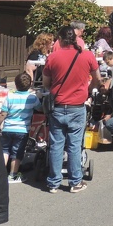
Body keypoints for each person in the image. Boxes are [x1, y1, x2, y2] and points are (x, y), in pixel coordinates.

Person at [42, 25, 100, 193]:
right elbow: (97, 79)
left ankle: (53, 182)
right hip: (77, 105)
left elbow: (46, 83)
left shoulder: (53, 57)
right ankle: (75, 182)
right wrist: (88, 90)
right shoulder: (87, 55)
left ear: (59, 39)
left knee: (56, 144)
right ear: (76, 39)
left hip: (58, 106)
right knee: (75, 145)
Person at [0, 71, 40, 183]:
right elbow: (40, 108)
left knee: (5, 150)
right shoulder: (32, 98)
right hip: (22, 130)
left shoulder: (10, 97)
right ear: (30, 84)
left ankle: (0, 174)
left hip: (7, 128)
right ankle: (13, 175)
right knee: (17, 153)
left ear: (15, 85)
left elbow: (3, 113)